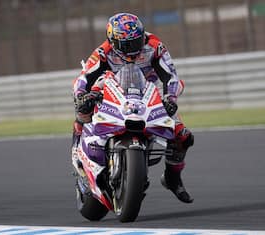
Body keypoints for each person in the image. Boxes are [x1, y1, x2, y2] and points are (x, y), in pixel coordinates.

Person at [72, 13, 194, 203]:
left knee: (183, 136)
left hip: (147, 91)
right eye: (127, 44)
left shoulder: (154, 46)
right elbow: (83, 77)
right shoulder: (103, 52)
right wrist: (81, 95)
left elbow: (171, 76)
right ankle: (77, 146)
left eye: (137, 41)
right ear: (113, 41)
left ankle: (172, 178)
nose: (134, 48)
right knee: (83, 108)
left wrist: (170, 98)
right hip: (110, 89)